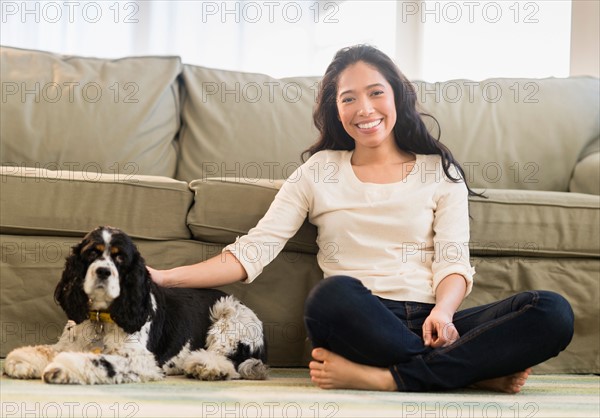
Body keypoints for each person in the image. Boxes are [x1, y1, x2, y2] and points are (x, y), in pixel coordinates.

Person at [149, 44, 574, 393]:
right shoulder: (318, 171)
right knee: (330, 296)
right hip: (359, 319)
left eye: (375, 93)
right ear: (336, 110)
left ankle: (387, 379)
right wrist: (165, 278)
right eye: (347, 98)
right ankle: (472, 372)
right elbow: (253, 251)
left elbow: (452, 259)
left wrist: (443, 314)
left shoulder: (439, 172)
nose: (363, 108)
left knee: (551, 311)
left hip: (430, 319)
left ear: (396, 97)